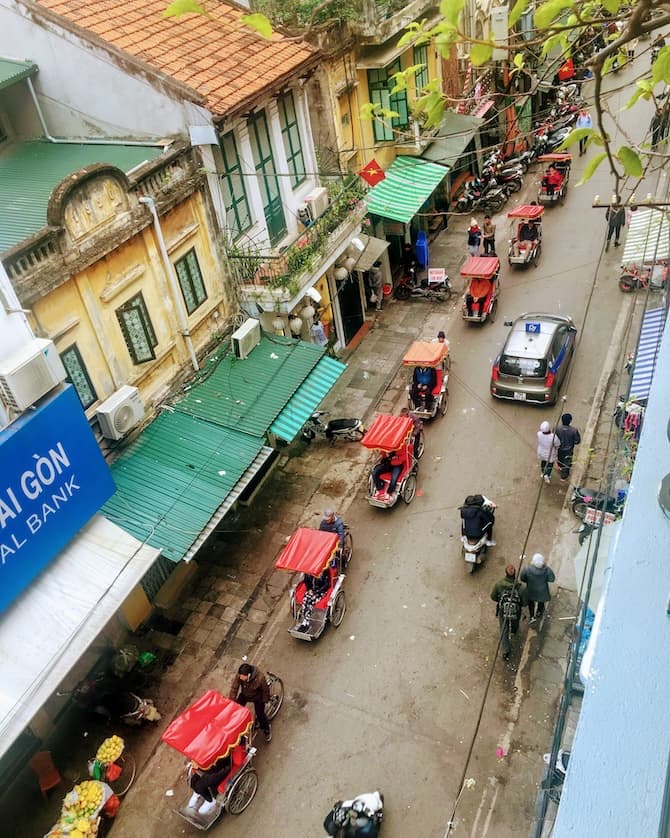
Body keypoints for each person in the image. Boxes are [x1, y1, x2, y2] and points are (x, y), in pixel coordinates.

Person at [491, 565, 527, 660]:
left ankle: (506, 651)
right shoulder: (520, 588)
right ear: (515, 574)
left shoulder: (499, 585)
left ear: (505, 574)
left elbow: (493, 596)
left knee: (504, 629)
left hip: (503, 610)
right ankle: (514, 630)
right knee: (515, 621)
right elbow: (524, 603)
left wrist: (500, 600)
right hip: (516, 610)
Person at [229, 662, 272, 742]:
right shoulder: (240, 675)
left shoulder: (260, 678)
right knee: (236, 709)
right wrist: (232, 702)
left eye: (242, 676)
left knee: (260, 715)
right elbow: (234, 688)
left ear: (248, 675)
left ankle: (266, 728)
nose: (240, 678)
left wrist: (265, 700)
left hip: (257, 697)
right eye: (240, 676)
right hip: (245, 695)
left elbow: (265, 690)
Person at [520, 553, 555, 625]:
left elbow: (522, 578)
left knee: (531, 603)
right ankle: (539, 612)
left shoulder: (527, 569)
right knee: (541, 602)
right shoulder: (547, 570)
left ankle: (532, 616)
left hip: (531, 590)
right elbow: (552, 579)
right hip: (542, 592)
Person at [555, 413, 581, 482]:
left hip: (560, 449)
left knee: (560, 459)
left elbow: (555, 439)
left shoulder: (557, 428)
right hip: (569, 450)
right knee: (567, 463)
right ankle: (563, 477)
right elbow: (577, 441)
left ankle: (560, 466)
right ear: (570, 421)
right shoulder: (574, 430)